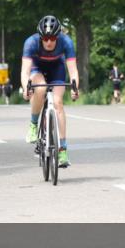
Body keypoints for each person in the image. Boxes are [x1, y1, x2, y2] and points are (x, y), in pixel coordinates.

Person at [21, 15, 80, 168]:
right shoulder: (31, 42)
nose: (48, 42)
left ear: (58, 36)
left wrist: (75, 88)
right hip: (37, 68)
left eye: (52, 38)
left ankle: (63, 150)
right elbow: (25, 71)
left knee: (59, 103)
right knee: (40, 88)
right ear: (40, 37)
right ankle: (34, 125)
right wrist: (26, 87)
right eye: (45, 38)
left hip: (57, 69)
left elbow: (73, 71)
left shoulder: (66, 42)